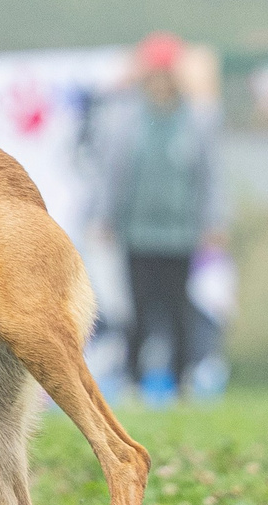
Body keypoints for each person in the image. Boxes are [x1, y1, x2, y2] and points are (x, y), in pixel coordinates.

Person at [86, 32, 228, 402]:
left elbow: (209, 177)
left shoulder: (197, 121)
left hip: (181, 233)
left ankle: (182, 382)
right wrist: (104, 218)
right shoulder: (125, 121)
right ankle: (132, 380)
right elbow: (112, 174)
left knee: (179, 309)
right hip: (137, 232)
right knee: (137, 309)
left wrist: (214, 223)